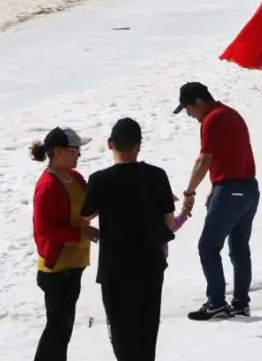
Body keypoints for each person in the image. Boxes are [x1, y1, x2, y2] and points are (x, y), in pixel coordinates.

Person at [80, 117, 176, 361]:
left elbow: (86, 215)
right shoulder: (157, 175)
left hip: (115, 268)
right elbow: (169, 220)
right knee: (147, 329)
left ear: (110, 144)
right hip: (150, 264)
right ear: (138, 146)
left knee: (121, 331)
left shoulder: (100, 180)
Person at [174, 82, 260, 320]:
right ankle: (241, 304)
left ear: (199, 102)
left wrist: (189, 192)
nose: (190, 114)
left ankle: (217, 304)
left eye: (189, 108)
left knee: (208, 247)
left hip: (231, 190)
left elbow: (204, 160)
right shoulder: (230, 114)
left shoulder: (212, 119)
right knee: (239, 249)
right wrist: (215, 186)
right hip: (248, 189)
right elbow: (231, 155)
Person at [31, 127, 98, 361]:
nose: (78, 154)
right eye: (74, 150)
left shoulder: (74, 177)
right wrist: (81, 233)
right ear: (57, 152)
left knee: (63, 328)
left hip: (74, 263)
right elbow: (43, 230)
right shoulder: (48, 185)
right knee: (58, 328)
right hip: (56, 268)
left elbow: (90, 206)